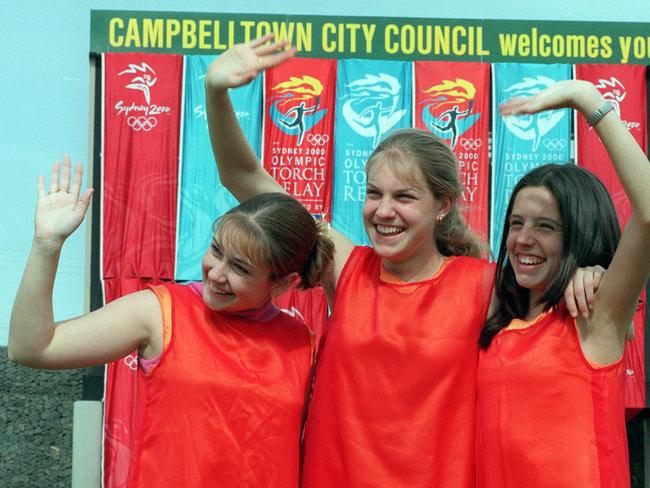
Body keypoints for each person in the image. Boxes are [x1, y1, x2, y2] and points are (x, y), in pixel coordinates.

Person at [204, 35, 602, 487]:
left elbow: (586, 331)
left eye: (404, 197)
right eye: (374, 194)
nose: (383, 211)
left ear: (443, 204)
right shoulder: (345, 266)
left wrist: (593, 275)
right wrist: (216, 92)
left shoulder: (487, 286)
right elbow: (243, 176)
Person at [8, 156, 334, 487]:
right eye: (216, 251)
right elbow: (33, 348)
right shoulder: (161, 311)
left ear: (283, 284)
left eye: (241, 268)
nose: (216, 274)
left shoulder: (302, 344)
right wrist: (46, 245)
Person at [476, 80, 650, 488]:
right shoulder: (494, 314)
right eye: (516, 223)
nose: (522, 239)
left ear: (580, 235)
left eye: (546, 227)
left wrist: (587, 100)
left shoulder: (594, 316)